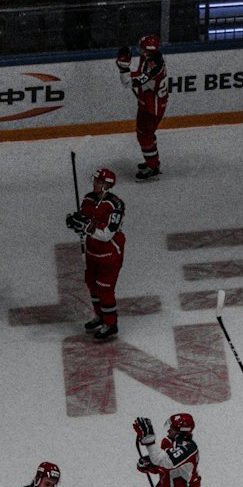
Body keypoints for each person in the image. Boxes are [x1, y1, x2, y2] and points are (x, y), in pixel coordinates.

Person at [65, 166, 125, 342]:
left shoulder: (116, 205)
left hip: (110, 254)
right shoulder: (88, 199)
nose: (94, 183)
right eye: (95, 180)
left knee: (105, 289)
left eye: (99, 182)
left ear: (107, 185)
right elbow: (84, 223)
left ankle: (111, 324)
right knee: (92, 284)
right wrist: (75, 223)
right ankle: (100, 316)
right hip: (92, 252)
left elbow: (106, 234)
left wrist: (85, 227)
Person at [116, 34, 169, 181]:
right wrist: (125, 70)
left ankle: (152, 168)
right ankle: (152, 161)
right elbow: (138, 74)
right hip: (147, 103)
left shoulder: (154, 66)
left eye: (142, 49)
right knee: (145, 135)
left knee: (145, 137)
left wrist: (123, 68)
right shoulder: (150, 58)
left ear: (148, 52)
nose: (140, 51)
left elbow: (129, 83)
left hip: (153, 108)